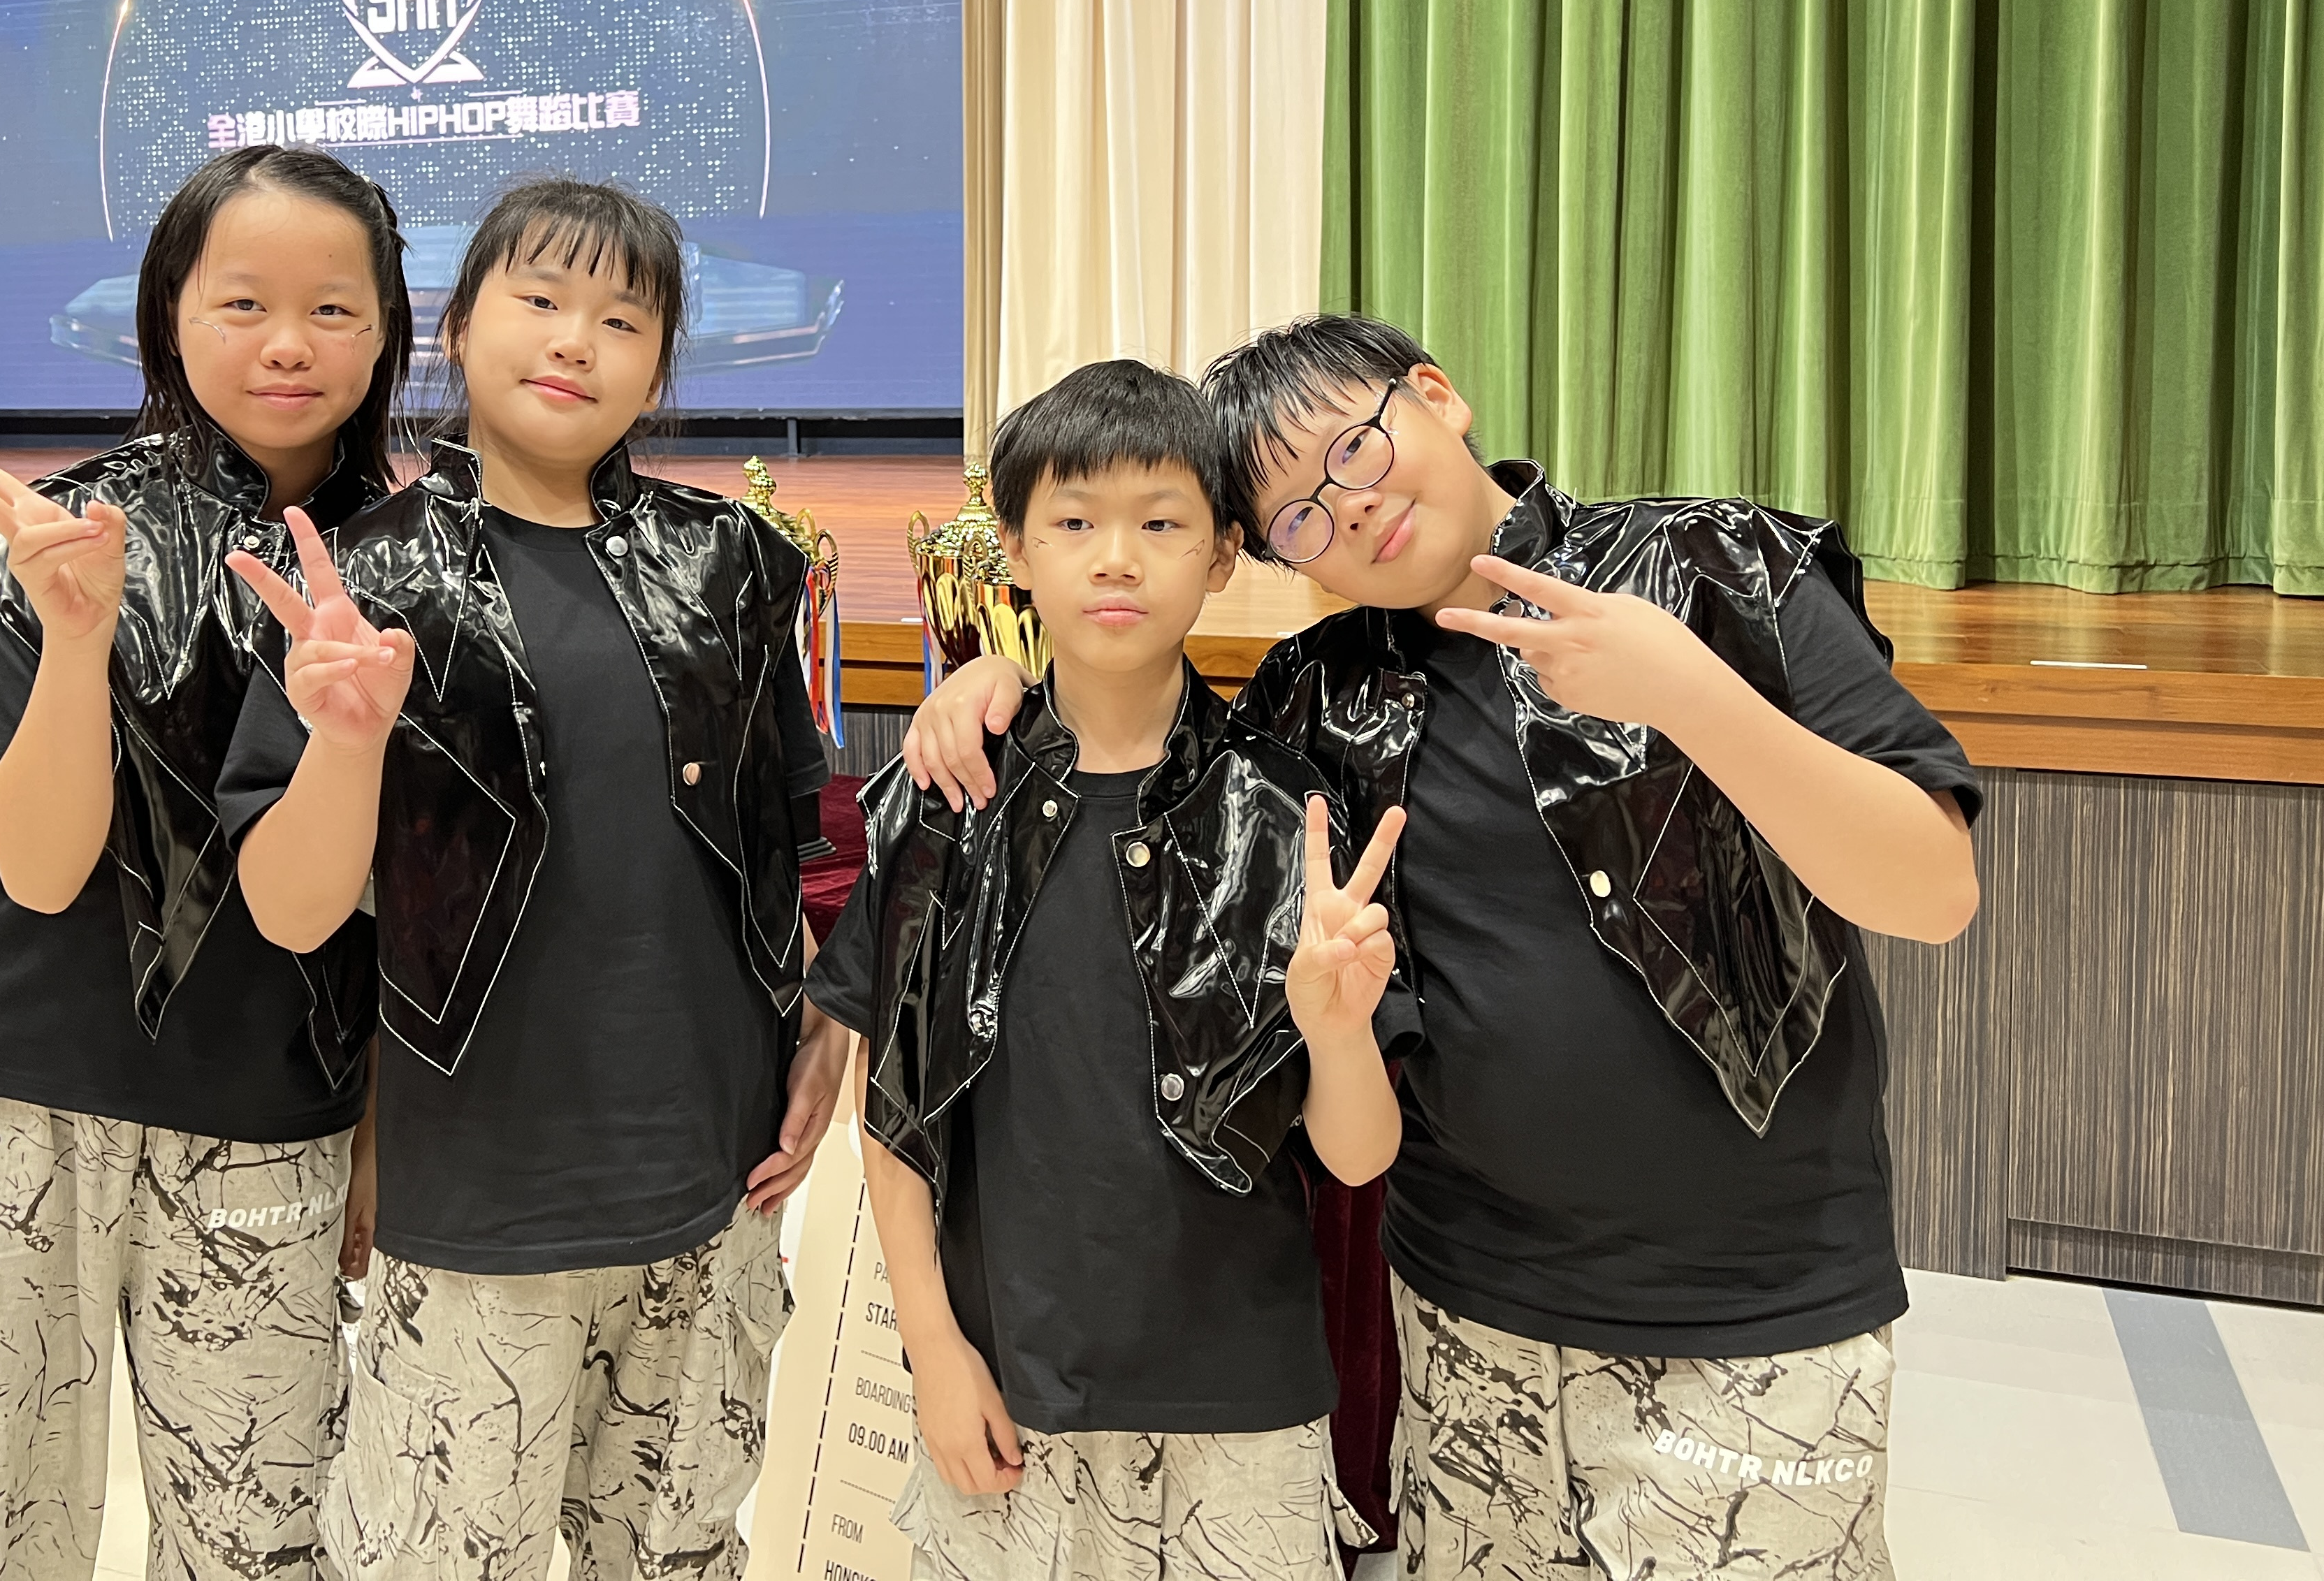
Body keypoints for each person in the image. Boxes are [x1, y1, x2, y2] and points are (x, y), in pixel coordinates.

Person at [903, 315, 1982, 1581]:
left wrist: (1684, 689)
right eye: (1301, 516)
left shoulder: (1712, 569)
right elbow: (1143, 737)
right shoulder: (1313, 695)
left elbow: (1934, 892)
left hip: (1757, 1306)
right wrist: (988, 684)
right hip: (1469, 1310)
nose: (1349, 509)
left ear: (1436, 396)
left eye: (1356, 451)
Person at [216, 177, 850, 1581]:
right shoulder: (358, 580)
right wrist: (345, 739)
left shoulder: (734, 561)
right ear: (456, 324)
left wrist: (828, 1027)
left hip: (711, 1185)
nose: (576, 340)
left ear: (660, 366)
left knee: (680, 1553)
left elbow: (789, 844)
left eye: (623, 320)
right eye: (542, 299)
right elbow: (292, 912)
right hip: (480, 1198)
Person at [0, 145, 408, 1581]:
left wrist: (380, 1136)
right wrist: (76, 637)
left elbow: (385, 906)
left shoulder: (426, 561)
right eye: (243, 303)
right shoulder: (60, 535)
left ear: (388, 329)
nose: (288, 343)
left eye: (334, 309)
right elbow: (35, 869)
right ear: (168, 317)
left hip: (267, 1111)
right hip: (10, 1097)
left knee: (260, 1541)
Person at [809, 359, 1400, 1580]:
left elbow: (1354, 1158)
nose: (1117, 560)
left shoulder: (1288, 810)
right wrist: (934, 1350)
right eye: (1075, 524)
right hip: (1006, 1385)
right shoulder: (944, 802)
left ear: (1224, 554)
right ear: (1015, 551)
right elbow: (895, 1106)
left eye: (1162, 525)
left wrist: (1340, 1030)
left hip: (1243, 1397)